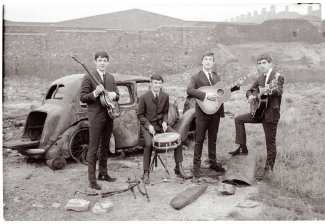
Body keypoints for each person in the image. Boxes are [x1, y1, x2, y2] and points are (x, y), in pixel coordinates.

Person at [228, 53, 284, 180]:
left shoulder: (278, 77)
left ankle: (268, 170)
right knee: (238, 119)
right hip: (258, 112)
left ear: (270, 63)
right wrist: (251, 96)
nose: (261, 65)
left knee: (270, 142)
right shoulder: (259, 78)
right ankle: (242, 148)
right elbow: (249, 90)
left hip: (270, 115)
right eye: (259, 63)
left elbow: (279, 91)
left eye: (264, 63)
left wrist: (268, 90)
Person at [187, 52, 240, 183]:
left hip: (215, 111)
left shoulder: (216, 76)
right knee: (199, 140)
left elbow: (221, 93)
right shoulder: (196, 77)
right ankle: (196, 168)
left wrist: (234, 88)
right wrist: (205, 96)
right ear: (202, 62)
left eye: (210, 60)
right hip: (202, 113)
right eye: (206, 59)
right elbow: (189, 90)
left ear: (213, 63)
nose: (208, 61)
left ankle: (213, 163)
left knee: (213, 139)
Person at [137, 74, 192, 184]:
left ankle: (178, 167)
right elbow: (140, 115)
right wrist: (149, 126)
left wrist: (165, 122)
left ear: (162, 84)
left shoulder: (165, 96)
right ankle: (146, 172)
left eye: (160, 83)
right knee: (148, 144)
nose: (158, 85)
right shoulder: (143, 97)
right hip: (149, 127)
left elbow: (165, 112)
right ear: (151, 83)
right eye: (155, 83)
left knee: (178, 138)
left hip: (161, 126)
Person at [80, 51, 119, 190]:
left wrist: (114, 95)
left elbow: (117, 95)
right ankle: (92, 180)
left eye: (105, 60)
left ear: (108, 62)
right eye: (100, 60)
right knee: (93, 148)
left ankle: (103, 173)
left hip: (109, 115)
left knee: (105, 146)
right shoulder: (88, 77)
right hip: (96, 117)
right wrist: (95, 93)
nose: (103, 63)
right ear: (95, 62)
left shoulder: (111, 77)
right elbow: (83, 97)